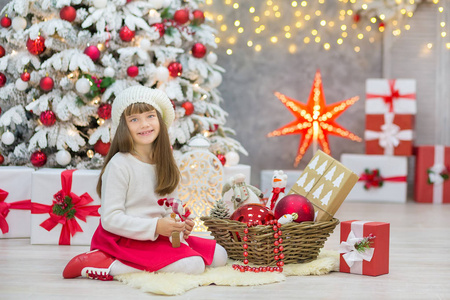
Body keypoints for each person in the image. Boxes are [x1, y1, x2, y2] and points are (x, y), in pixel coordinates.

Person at [62, 86, 228, 281]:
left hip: (158, 236)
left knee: (219, 255)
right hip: (124, 239)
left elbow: (170, 207)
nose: (144, 124)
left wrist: (179, 226)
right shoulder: (120, 164)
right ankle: (108, 263)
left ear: (160, 119)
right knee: (195, 265)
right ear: (124, 127)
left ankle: (145, 261)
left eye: (150, 116)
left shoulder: (166, 162)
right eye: (134, 119)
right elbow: (111, 219)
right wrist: (157, 226)